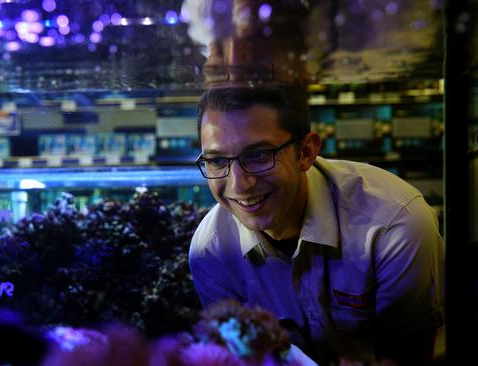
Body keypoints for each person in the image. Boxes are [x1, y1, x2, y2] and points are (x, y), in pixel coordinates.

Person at [188, 84, 444, 365]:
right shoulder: (210, 250)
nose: (240, 184)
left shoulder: (394, 224)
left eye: (259, 155)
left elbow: (407, 358)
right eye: (216, 161)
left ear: (306, 152)